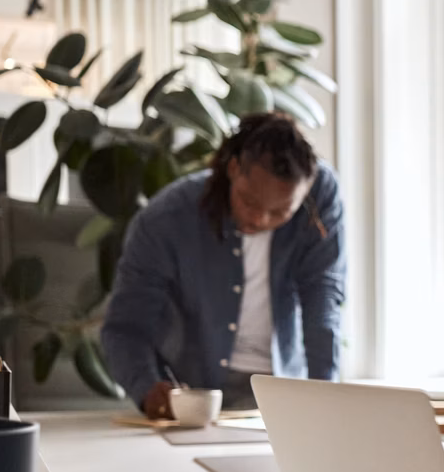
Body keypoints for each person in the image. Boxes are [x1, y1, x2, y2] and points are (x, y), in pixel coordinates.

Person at [102, 111, 344, 417]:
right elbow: (125, 327)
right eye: (250, 202)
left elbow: (323, 295)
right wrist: (148, 387)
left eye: (280, 212)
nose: (260, 219)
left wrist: (327, 396)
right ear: (233, 169)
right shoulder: (166, 219)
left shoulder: (321, 195)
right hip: (193, 398)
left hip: (282, 392)